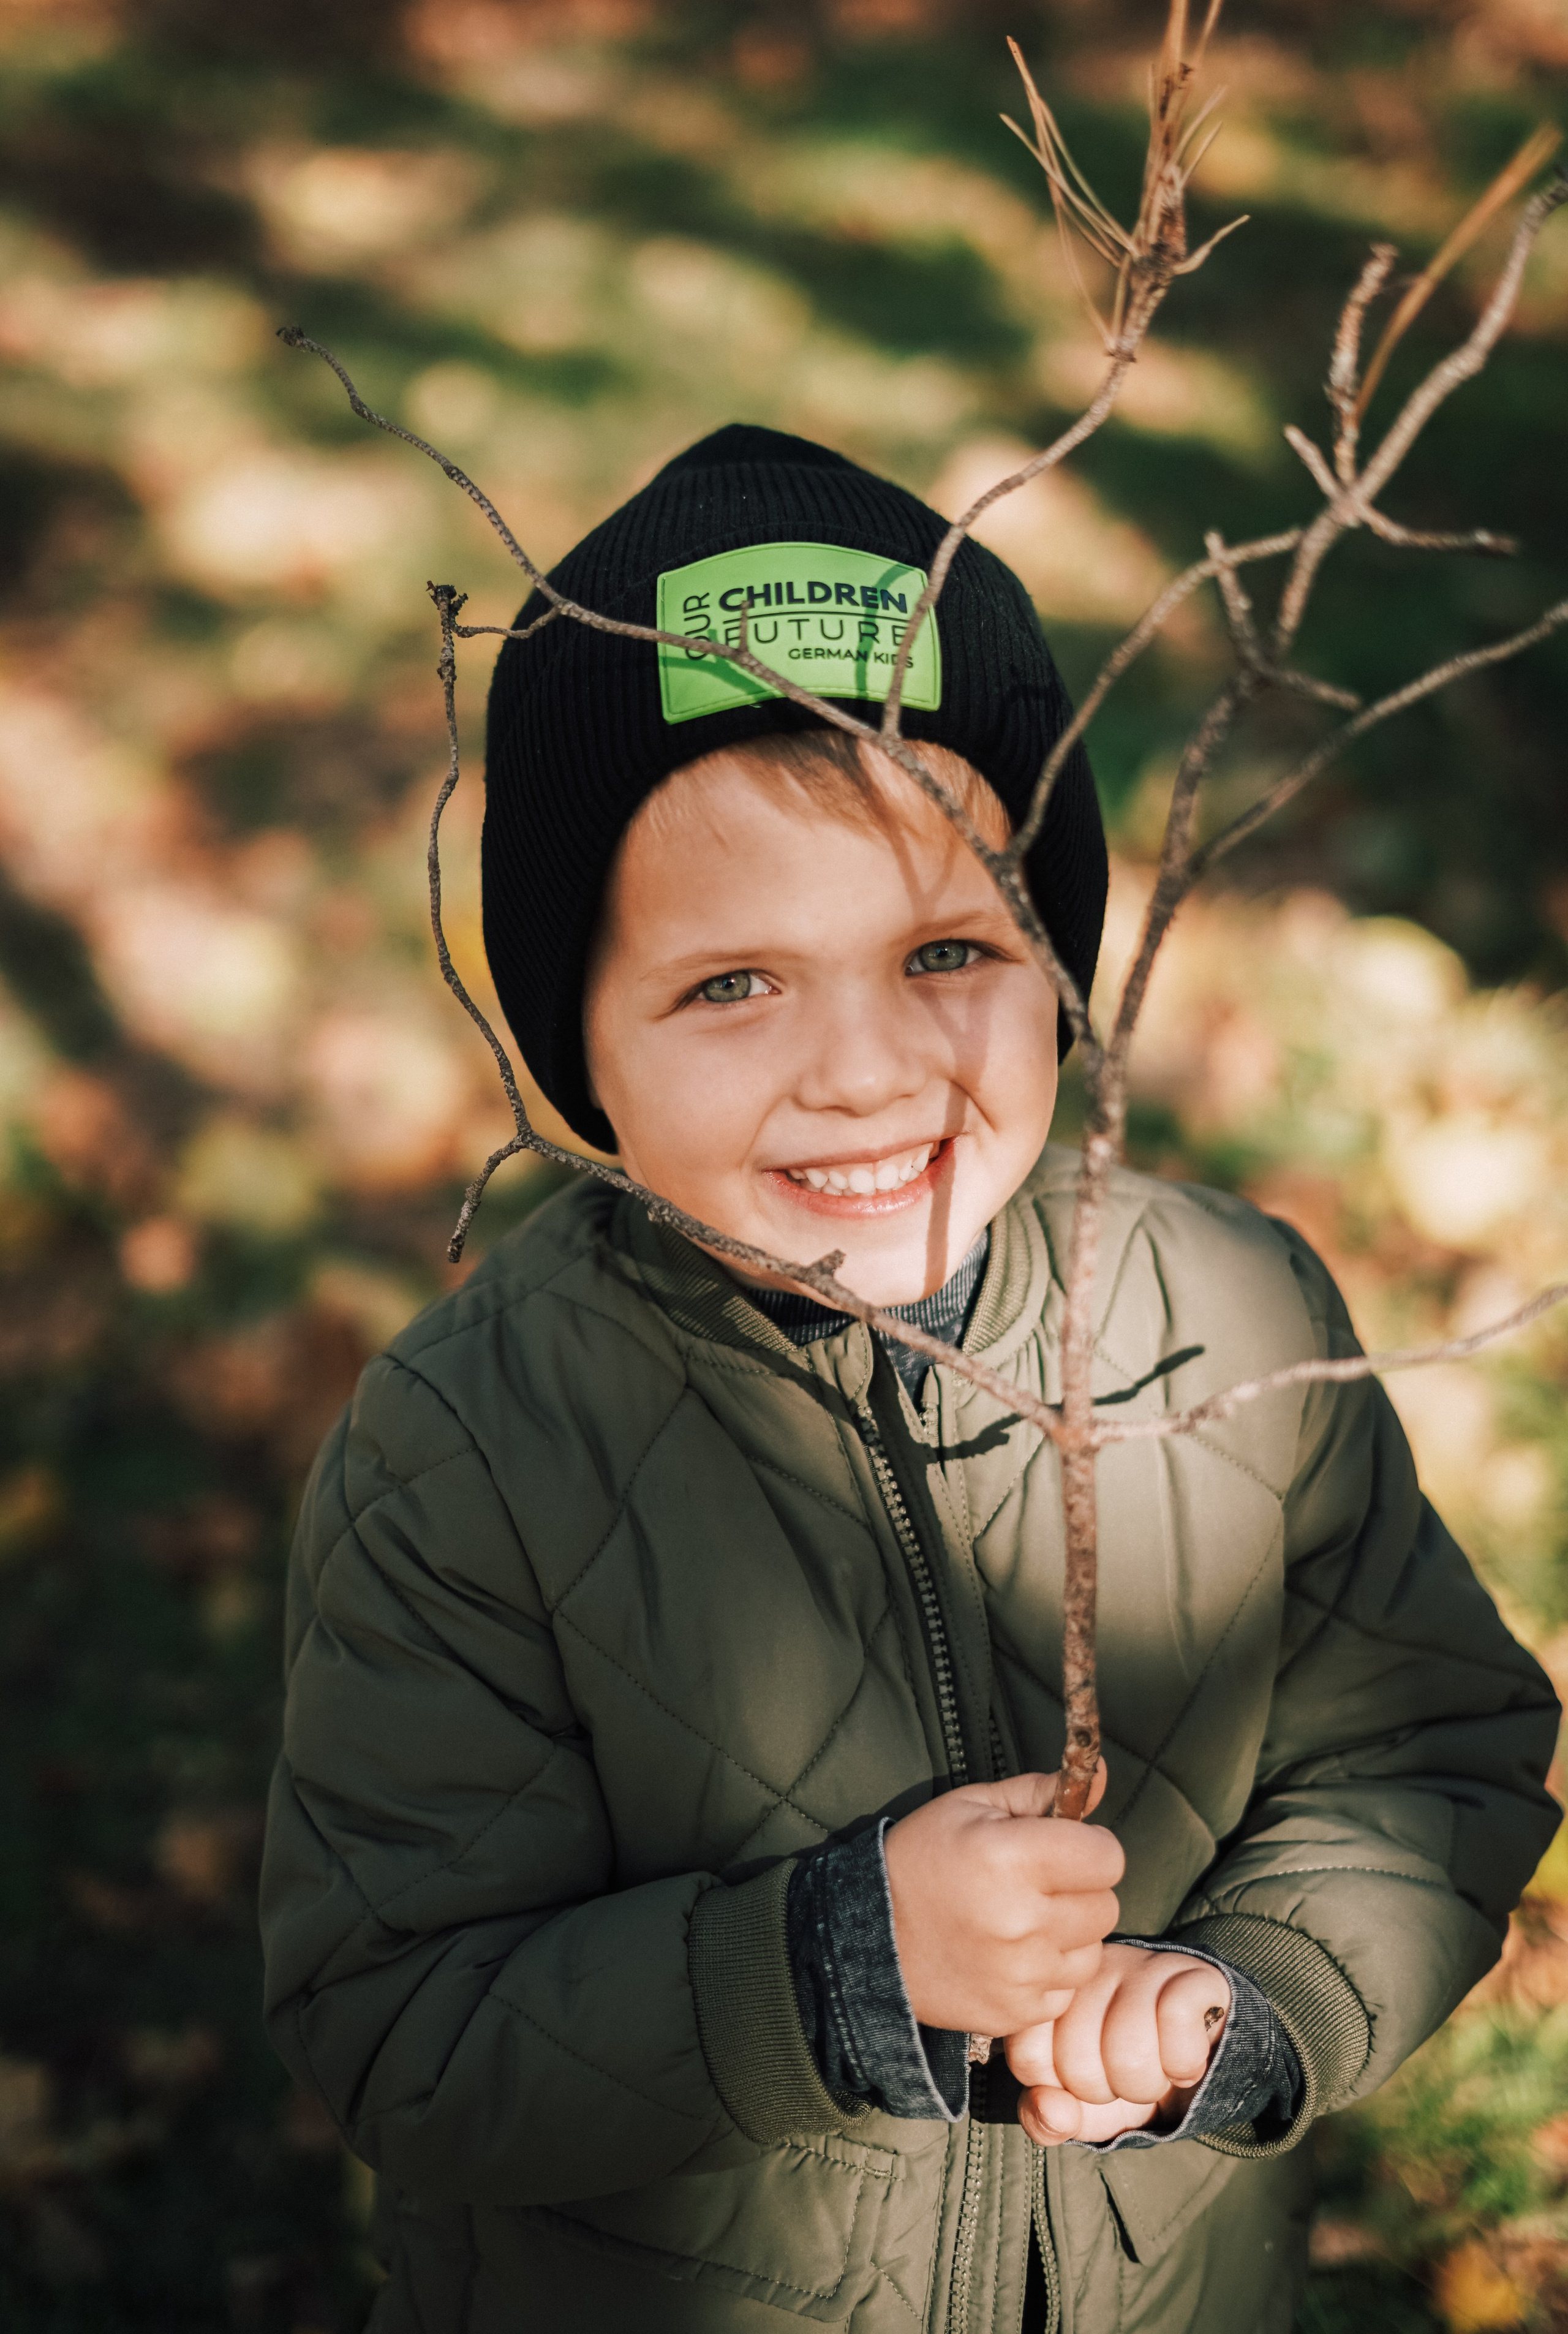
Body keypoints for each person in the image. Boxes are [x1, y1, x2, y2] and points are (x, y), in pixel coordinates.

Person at [259, 425, 1561, 2333]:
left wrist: (1246, 1993)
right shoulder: (475, 1452)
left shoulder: (1230, 1315)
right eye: (733, 985)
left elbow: (1428, 1750)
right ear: (582, 1051)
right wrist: (829, 1966)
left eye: (948, 947)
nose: (867, 1073)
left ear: (1060, 958)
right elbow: (403, 2030)